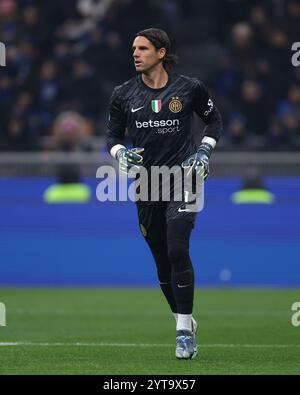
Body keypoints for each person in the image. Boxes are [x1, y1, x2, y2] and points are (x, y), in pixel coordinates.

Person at [106, 28, 222, 359]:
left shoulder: (189, 88)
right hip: (146, 184)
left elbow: (214, 122)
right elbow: (112, 136)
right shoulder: (122, 94)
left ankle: (183, 331)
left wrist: (203, 151)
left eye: (142, 48)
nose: (135, 53)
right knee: (160, 260)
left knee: (176, 249)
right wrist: (119, 155)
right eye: (133, 48)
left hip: (183, 179)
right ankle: (184, 318)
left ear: (161, 53)